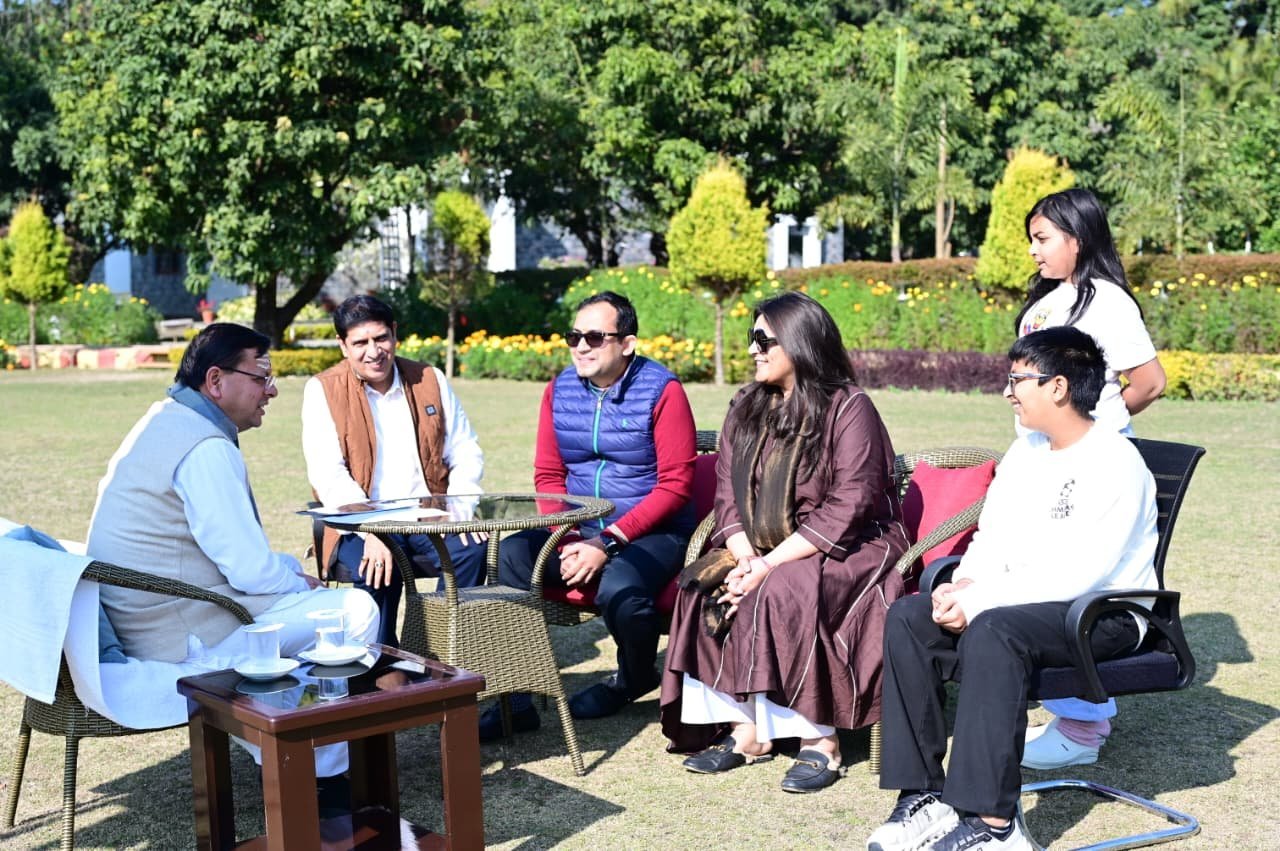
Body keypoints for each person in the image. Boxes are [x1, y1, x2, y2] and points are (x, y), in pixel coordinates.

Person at [866, 326, 1158, 851]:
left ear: (1058, 387)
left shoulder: (1115, 461)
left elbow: (1081, 572)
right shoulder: (1026, 452)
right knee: (910, 618)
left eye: (1018, 379)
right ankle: (924, 795)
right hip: (1021, 605)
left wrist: (978, 602)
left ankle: (993, 825)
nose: (1008, 391)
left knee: (994, 631)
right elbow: (992, 536)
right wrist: (962, 584)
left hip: (1102, 612)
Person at [86, 323, 379, 804]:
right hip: (179, 640)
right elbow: (248, 571)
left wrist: (289, 575)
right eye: (261, 377)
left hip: (154, 619)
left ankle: (296, 755)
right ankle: (317, 774)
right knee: (354, 611)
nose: (272, 390)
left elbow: (231, 558)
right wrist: (300, 583)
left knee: (302, 594)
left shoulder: (167, 419)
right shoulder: (204, 448)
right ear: (216, 381)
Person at [659, 291, 910, 794]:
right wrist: (743, 556)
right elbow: (727, 492)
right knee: (702, 585)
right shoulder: (746, 405)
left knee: (783, 589)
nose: (752, 349)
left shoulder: (848, 408)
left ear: (800, 342)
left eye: (763, 339)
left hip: (852, 547)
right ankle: (747, 729)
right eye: (751, 338)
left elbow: (850, 503)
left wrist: (768, 565)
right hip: (760, 545)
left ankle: (819, 739)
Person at [491, 290, 697, 740]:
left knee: (620, 586)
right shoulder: (559, 389)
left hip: (654, 532)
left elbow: (676, 485)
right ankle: (517, 697)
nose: (581, 346)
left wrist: (607, 542)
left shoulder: (663, 391)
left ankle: (634, 677)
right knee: (509, 557)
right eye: (574, 337)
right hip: (578, 529)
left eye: (594, 337)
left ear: (627, 344)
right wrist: (564, 536)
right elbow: (549, 474)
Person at [1016, 187, 1167, 770]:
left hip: (1088, 467)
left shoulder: (1107, 302)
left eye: (1043, 238)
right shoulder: (1048, 301)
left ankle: (1082, 729)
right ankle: (1066, 712)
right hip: (1042, 461)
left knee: (1076, 576)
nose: (1034, 251)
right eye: (1032, 240)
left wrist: (1092, 428)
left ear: (1078, 238)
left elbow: (1149, 381)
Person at [302, 295, 487, 647]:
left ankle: (443, 652)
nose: (374, 352)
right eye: (360, 343)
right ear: (343, 345)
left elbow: (465, 449)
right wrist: (373, 529)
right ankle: (381, 663)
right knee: (373, 569)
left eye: (381, 338)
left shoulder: (429, 378)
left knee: (471, 551)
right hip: (359, 523)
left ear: (395, 334)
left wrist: (460, 508)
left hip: (427, 514)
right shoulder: (322, 390)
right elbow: (328, 474)